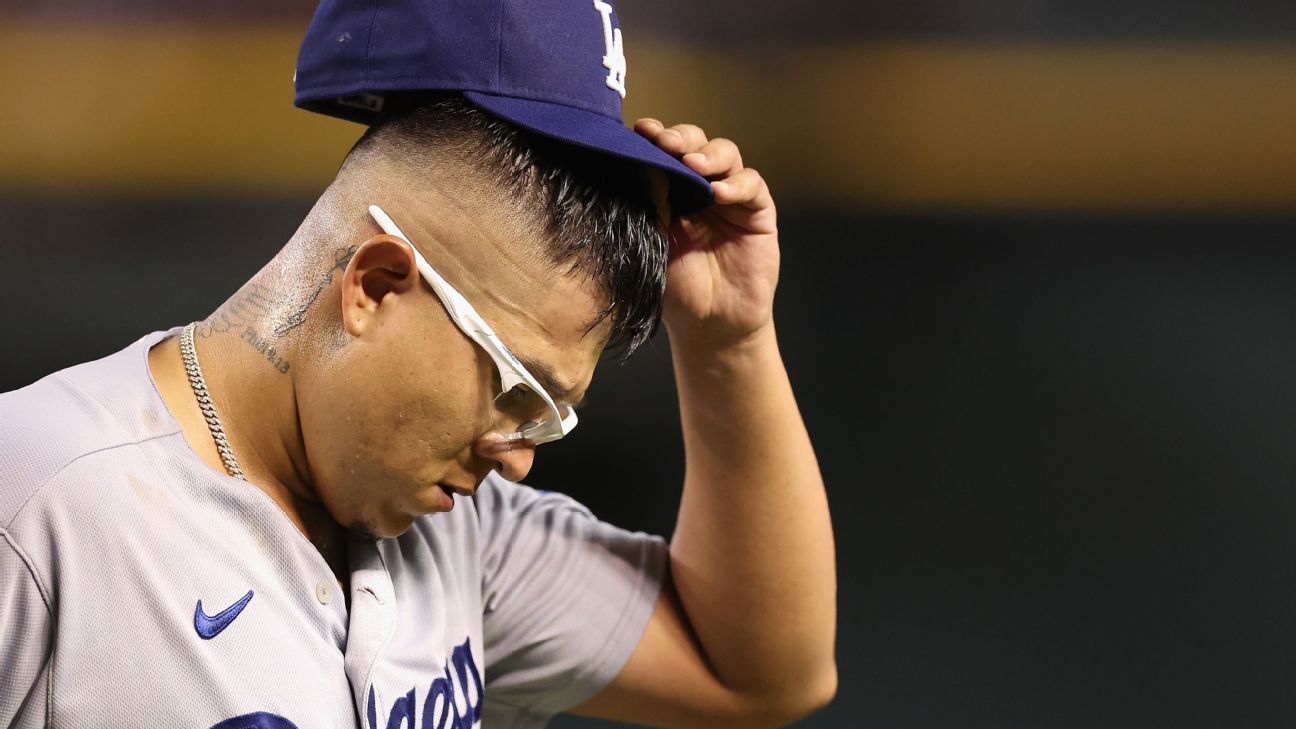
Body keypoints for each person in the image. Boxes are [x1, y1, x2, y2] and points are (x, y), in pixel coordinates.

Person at [0, 0, 836, 727]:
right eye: (515, 390)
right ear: (375, 284)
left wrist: (731, 341)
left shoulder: (460, 537)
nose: (518, 460)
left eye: (547, 412)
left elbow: (759, 672)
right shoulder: (39, 498)